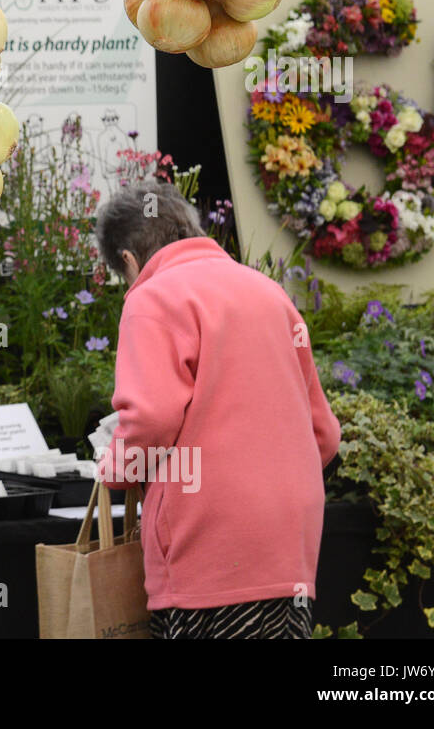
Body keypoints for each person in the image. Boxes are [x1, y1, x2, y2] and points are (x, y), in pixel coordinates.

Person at [92, 181, 340, 639]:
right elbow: (323, 433)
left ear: (127, 259)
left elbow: (150, 420)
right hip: (291, 545)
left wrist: (113, 467)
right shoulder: (269, 292)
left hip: (208, 547)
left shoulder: (154, 297)